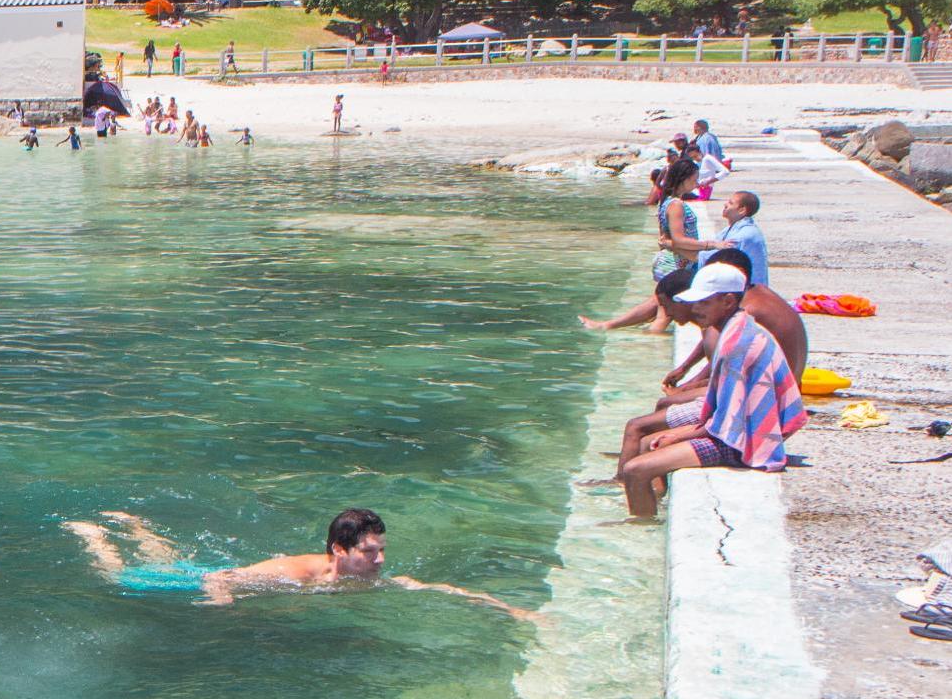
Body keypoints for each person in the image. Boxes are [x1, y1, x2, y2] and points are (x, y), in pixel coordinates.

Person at [65, 508, 535, 618]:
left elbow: (434, 588)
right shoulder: (295, 574)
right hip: (209, 579)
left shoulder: (369, 579)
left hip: (221, 570)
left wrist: (511, 609)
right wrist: (222, 609)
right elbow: (217, 577)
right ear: (338, 551)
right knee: (116, 577)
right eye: (369, 552)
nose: (380, 559)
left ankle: (135, 526)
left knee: (171, 559)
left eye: (381, 549)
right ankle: (94, 536)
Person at [617, 264, 806, 521]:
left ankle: (641, 527)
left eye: (703, 303)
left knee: (635, 470)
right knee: (645, 443)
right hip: (743, 430)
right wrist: (677, 435)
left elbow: (724, 424)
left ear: (728, 301)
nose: (695, 309)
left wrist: (677, 437)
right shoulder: (740, 325)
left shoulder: (735, 345)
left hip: (745, 444)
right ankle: (654, 507)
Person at [581, 157, 701, 333]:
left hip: (669, 261)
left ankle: (607, 325)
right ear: (684, 178)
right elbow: (678, 239)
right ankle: (646, 344)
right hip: (677, 262)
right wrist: (710, 245)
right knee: (664, 316)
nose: (697, 182)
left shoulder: (666, 201)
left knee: (657, 303)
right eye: (695, 178)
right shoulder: (676, 205)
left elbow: (664, 237)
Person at [691, 119, 728, 198]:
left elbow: (705, 155)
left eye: (695, 127)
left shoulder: (705, 139)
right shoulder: (710, 137)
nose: (694, 129)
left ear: (699, 127)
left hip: (707, 170)